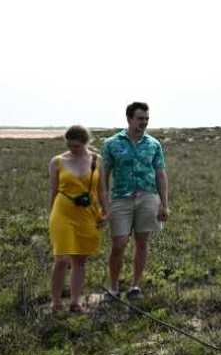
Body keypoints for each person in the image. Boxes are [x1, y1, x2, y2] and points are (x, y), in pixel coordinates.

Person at [100, 102, 169, 300]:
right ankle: (113, 287)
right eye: (140, 118)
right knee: (119, 243)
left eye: (146, 119)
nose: (144, 122)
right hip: (121, 198)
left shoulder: (154, 144)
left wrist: (164, 203)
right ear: (129, 119)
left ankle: (135, 286)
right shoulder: (112, 143)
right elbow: (104, 174)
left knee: (142, 242)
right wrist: (103, 203)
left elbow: (160, 174)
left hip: (148, 197)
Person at [48, 125, 108, 314]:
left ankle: (75, 302)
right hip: (62, 213)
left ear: (86, 143)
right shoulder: (57, 161)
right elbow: (53, 190)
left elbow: (102, 190)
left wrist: (106, 212)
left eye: (77, 146)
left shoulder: (97, 161)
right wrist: (51, 214)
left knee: (80, 260)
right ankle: (55, 303)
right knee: (61, 259)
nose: (73, 149)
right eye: (70, 146)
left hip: (87, 213)